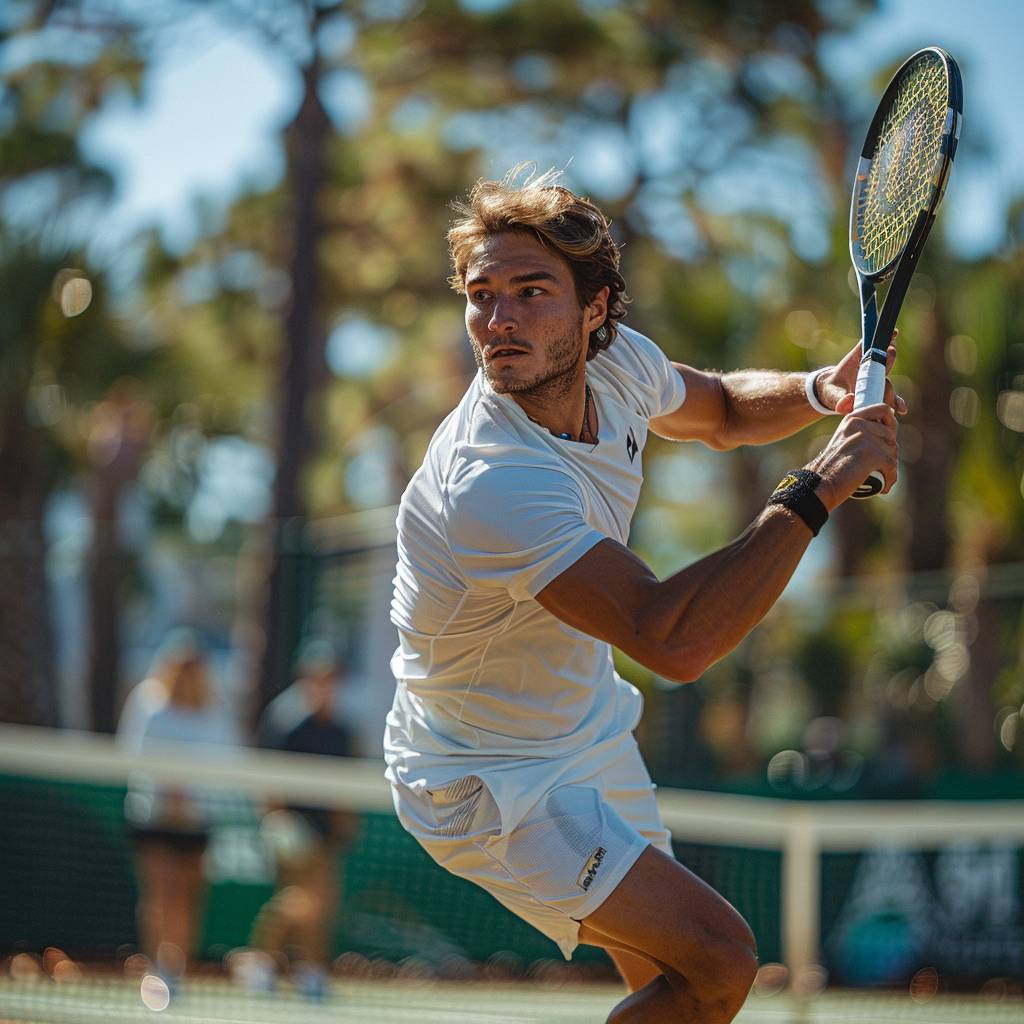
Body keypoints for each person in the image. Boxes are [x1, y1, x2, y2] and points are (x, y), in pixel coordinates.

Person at [384, 166, 901, 1024]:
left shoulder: (619, 365)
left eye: (530, 291)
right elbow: (671, 641)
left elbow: (728, 408)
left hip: (583, 731)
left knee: (681, 996)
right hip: (484, 780)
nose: (499, 319)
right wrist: (821, 484)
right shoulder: (491, 480)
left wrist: (819, 392)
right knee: (722, 962)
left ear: (594, 313)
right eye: (482, 296)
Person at [117, 628, 241, 990]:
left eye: (194, 666)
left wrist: (194, 797)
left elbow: (228, 765)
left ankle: (177, 971)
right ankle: (156, 969)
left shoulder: (216, 714)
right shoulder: (149, 705)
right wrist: (167, 791)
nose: (188, 672)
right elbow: (133, 754)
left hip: (197, 824)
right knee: (160, 894)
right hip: (153, 819)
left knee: (187, 898)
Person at [246, 639, 358, 999]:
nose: (327, 684)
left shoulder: (340, 729)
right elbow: (269, 779)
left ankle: (306, 970)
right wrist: (276, 820)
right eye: (320, 676)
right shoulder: (286, 721)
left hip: (325, 834)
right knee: (297, 898)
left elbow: (343, 783)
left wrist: (344, 822)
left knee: (320, 904)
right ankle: (262, 962)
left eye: (332, 677)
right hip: (291, 830)